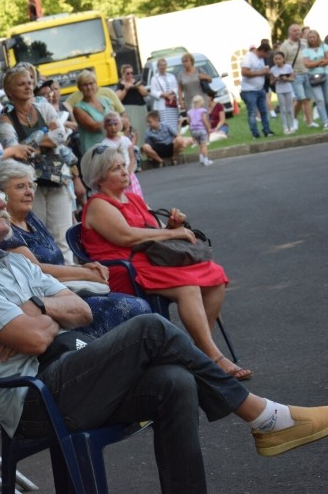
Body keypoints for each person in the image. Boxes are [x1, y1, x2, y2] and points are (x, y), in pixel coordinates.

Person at [0, 164, 328, 493]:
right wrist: (42, 322)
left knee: (175, 381)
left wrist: (34, 307)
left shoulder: (16, 263)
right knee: (149, 328)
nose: (0, 201)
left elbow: (82, 312)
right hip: (33, 402)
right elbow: (35, 339)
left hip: (67, 371)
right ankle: (265, 418)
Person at [79, 145, 250, 379]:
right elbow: (126, 237)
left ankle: (199, 351)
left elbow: (154, 233)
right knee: (188, 286)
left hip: (149, 260)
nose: (124, 171)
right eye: (115, 168)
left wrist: (171, 226)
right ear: (99, 178)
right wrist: (174, 233)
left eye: (123, 165)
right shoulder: (98, 204)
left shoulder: (133, 198)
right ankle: (213, 358)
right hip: (123, 269)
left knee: (215, 276)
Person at [0, 159, 151, 337]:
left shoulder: (30, 219)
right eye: (20, 187)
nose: (29, 192)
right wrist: (85, 272)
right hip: (47, 301)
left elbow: (55, 262)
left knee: (139, 306)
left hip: (67, 290)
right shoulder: (5, 229)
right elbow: (35, 270)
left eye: (31, 186)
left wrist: (84, 267)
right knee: (136, 308)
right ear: (1, 194)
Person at [0, 66, 75, 264]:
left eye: (30, 82)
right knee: (40, 236)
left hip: (57, 176)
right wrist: (43, 137)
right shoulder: (6, 117)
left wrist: (30, 143)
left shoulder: (43, 105)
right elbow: (14, 149)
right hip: (29, 181)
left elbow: (60, 136)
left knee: (63, 234)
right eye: (21, 84)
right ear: (10, 90)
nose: (28, 87)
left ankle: (72, 277)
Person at [278, 23, 315, 129]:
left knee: (307, 99)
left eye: (298, 30)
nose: (297, 32)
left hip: (307, 72)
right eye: (294, 30)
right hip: (295, 74)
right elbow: (280, 59)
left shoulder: (304, 42)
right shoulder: (285, 45)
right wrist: (287, 72)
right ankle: (294, 120)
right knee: (300, 98)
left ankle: (309, 122)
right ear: (289, 32)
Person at [100, 111, 143, 194]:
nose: (113, 128)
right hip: (116, 177)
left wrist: (129, 172)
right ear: (105, 126)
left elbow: (132, 157)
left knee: (135, 196)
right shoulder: (104, 144)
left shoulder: (125, 140)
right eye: (109, 125)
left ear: (119, 124)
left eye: (115, 124)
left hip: (129, 173)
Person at [72, 70, 115, 155]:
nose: (89, 87)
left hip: (111, 146)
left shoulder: (106, 101)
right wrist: (114, 121)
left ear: (96, 84)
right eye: (85, 85)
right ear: (79, 88)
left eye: (91, 83)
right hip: (94, 151)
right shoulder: (78, 108)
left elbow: (116, 120)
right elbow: (93, 126)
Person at [240, 42, 276, 139]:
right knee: (252, 112)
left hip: (260, 89)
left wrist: (266, 73)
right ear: (262, 51)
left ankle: (267, 130)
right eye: (266, 53)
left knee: (264, 111)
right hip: (249, 90)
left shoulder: (261, 59)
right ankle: (255, 133)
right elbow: (244, 72)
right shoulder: (249, 57)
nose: (267, 56)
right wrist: (261, 72)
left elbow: (261, 71)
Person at [115, 63, 149, 143]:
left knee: (142, 127)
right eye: (128, 73)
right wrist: (126, 89)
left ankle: (144, 145)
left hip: (140, 108)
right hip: (128, 109)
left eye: (132, 73)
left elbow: (145, 93)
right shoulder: (120, 85)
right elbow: (118, 98)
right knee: (133, 128)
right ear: (123, 74)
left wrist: (137, 86)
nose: (130, 75)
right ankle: (134, 145)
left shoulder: (137, 82)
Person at [302, 29, 328, 128]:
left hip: (326, 74)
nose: (312, 39)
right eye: (310, 37)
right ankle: (325, 121)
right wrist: (320, 61)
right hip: (313, 77)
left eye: (314, 37)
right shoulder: (306, 51)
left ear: (317, 37)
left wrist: (314, 63)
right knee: (319, 99)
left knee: (327, 99)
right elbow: (307, 64)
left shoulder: (324, 47)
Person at [149, 57, 181, 132]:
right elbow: (153, 92)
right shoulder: (155, 78)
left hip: (172, 103)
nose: (163, 67)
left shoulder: (171, 76)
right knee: (164, 122)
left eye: (164, 65)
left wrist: (172, 93)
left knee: (174, 122)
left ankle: (175, 136)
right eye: (161, 65)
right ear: (158, 67)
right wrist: (163, 94)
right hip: (162, 105)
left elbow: (176, 88)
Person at [269, 51, 296, 135]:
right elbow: (271, 82)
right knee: (282, 109)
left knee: (290, 109)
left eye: (279, 59)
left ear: (283, 59)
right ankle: (285, 127)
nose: (277, 61)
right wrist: (276, 79)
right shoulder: (273, 69)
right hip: (279, 90)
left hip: (288, 89)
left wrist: (286, 79)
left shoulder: (288, 67)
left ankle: (292, 126)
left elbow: (293, 79)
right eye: (276, 59)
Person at [187, 96, 213, 166]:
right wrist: (209, 128)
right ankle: (206, 160)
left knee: (200, 145)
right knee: (204, 145)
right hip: (201, 129)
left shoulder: (190, 112)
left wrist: (191, 133)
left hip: (194, 130)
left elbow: (189, 122)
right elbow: (204, 120)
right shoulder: (202, 111)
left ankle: (201, 158)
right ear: (201, 103)